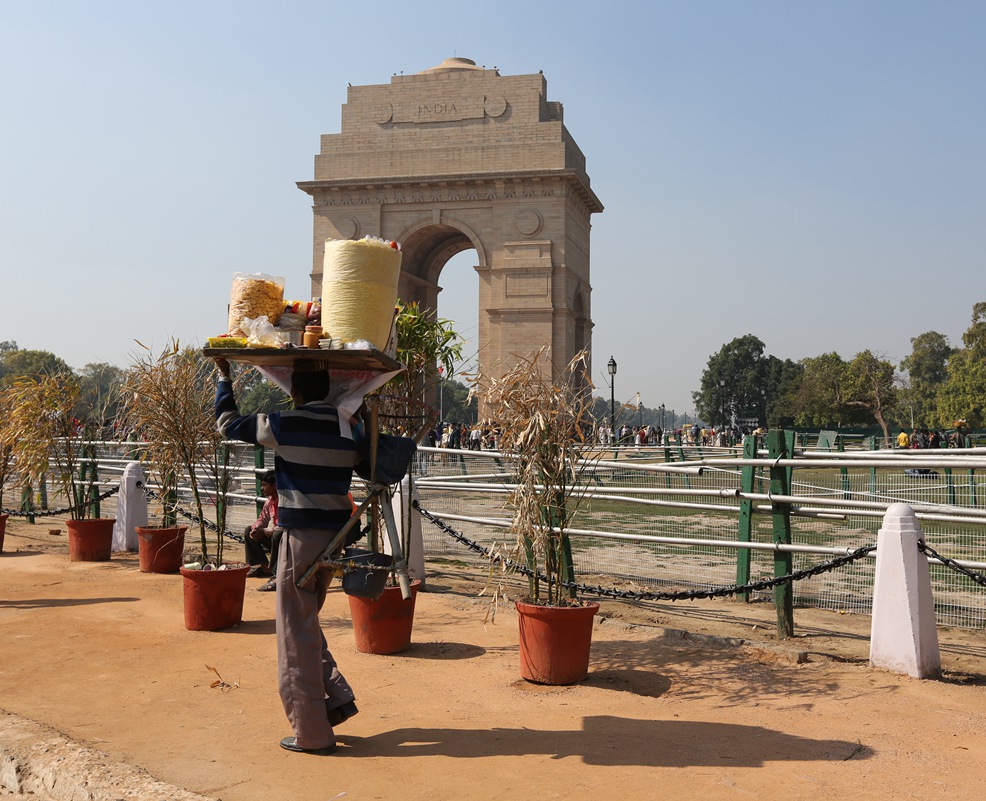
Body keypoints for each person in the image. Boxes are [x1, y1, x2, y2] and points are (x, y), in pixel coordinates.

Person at [213, 358, 358, 755]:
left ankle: (311, 732)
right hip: (334, 537)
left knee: (294, 632)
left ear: (295, 392)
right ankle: (337, 697)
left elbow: (227, 424)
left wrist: (225, 378)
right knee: (304, 620)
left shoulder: (286, 423)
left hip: (300, 538)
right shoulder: (349, 427)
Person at [244, 470, 282, 590]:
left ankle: (276, 573)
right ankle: (263, 566)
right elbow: (263, 518)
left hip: (285, 538)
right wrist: (256, 528)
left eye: (265, 484)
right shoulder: (269, 502)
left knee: (277, 534)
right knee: (248, 530)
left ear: (275, 486)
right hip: (274, 535)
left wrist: (265, 532)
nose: (262, 488)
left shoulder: (284, 501)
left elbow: (284, 526)